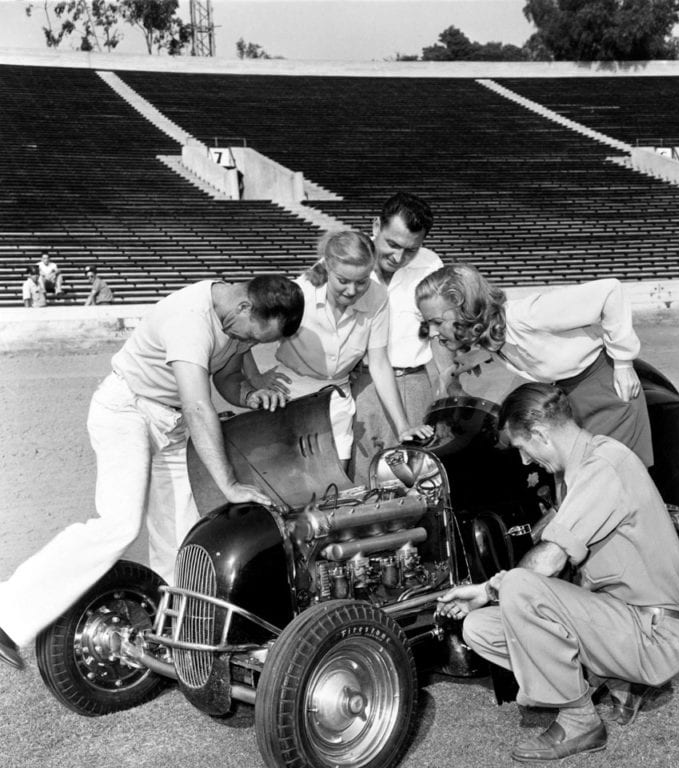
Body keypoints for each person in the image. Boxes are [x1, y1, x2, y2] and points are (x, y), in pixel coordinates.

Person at [0, 274, 305, 671]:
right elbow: (199, 407)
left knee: (184, 536)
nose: (249, 346)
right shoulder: (190, 319)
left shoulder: (237, 313)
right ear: (245, 307)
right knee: (119, 525)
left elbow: (228, 377)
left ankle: (177, 643)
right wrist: (228, 484)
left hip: (169, 423)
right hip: (126, 411)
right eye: (253, 337)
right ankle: (8, 611)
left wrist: (251, 393)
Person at [437, 383, 679, 763]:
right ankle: (614, 678)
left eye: (524, 447)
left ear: (541, 434)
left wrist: (493, 588)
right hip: (618, 619)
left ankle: (579, 720)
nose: (525, 461)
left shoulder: (603, 467)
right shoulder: (579, 468)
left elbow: (549, 562)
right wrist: (485, 594)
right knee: (480, 629)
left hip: (653, 634)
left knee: (521, 586)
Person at [415, 264, 654, 467]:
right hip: (568, 399)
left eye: (437, 322)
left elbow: (611, 291)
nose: (433, 332)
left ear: (465, 309)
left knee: (603, 483)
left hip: (607, 393)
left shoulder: (527, 315)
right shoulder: (495, 337)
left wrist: (624, 362)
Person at [239, 229, 432, 472]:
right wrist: (256, 379)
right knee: (287, 477)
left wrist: (403, 426)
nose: (352, 291)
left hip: (337, 397)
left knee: (334, 481)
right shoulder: (300, 292)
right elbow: (241, 337)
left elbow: (379, 363)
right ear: (328, 267)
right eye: (343, 280)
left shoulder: (378, 297)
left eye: (361, 281)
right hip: (289, 394)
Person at [349, 193, 451, 476]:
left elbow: (437, 330)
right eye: (392, 244)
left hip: (416, 382)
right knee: (367, 477)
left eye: (410, 250)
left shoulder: (430, 264)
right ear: (375, 227)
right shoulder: (345, 261)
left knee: (420, 478)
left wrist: (445, 380)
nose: (399, 257)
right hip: (364, 386)